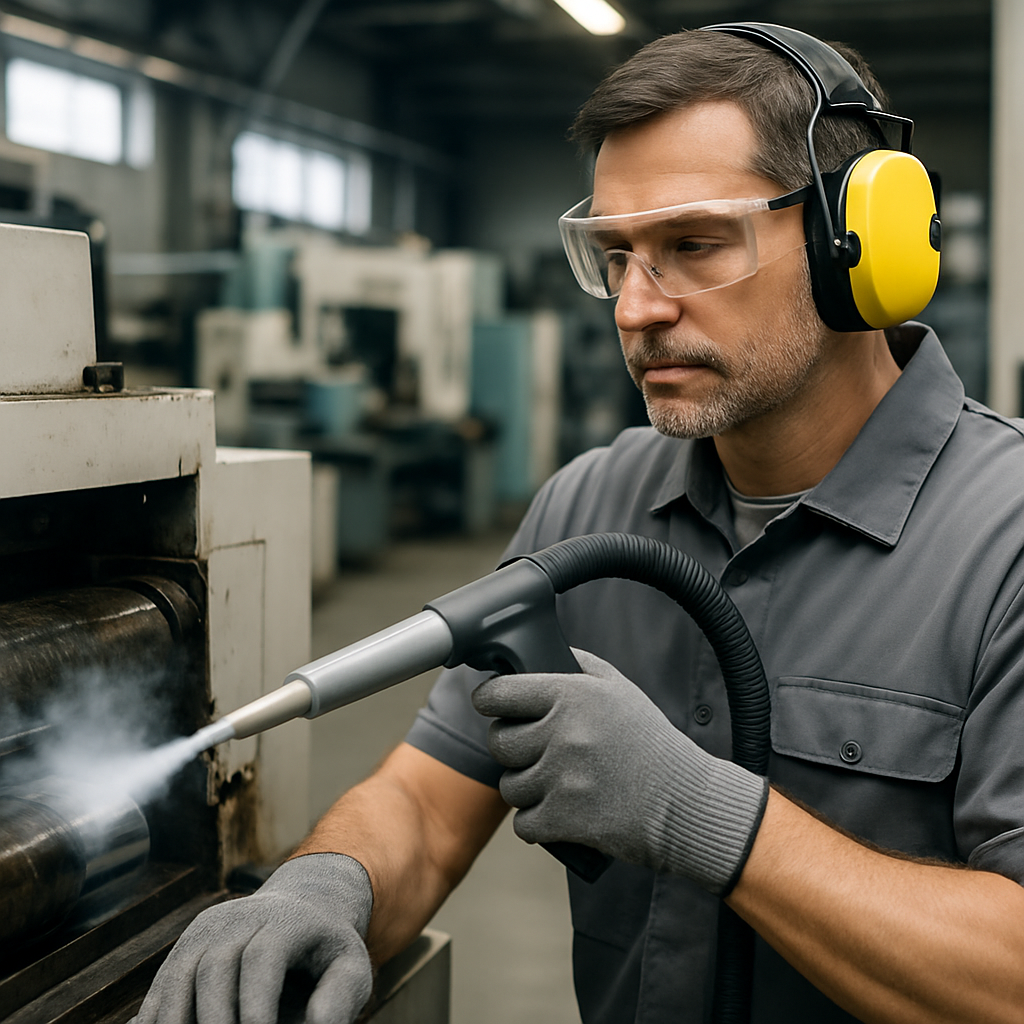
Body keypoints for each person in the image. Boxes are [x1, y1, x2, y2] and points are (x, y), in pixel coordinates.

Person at [134, 24, 1024, 1024]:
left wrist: (704, 815)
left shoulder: (1005, 543)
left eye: (692, 246)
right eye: (615, 256)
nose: (635, 309)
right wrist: (325, 885)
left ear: (852, 244)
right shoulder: (589, 506)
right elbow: (428, 802)